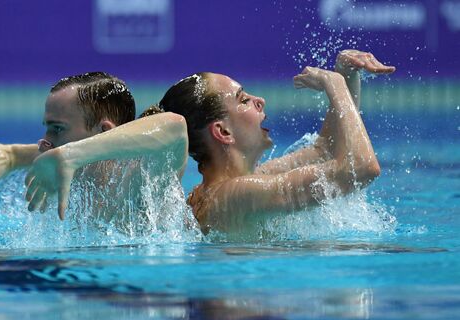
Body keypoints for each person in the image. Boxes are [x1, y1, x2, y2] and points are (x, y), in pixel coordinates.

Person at [144, 50, 395, 235]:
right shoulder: (236, 194)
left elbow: (326, 150)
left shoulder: (223, 189)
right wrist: (335, 85)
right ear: (223, 131)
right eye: (243, 100)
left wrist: (347, 74)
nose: (260, 100)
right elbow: (361, 168)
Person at [0, 72, 188, 221]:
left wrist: (71, 154)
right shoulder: (77, 180)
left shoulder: (142, 176)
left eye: (58, 129)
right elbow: (57, 153)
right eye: (47, 128)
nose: (45, 141)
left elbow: (176, 127)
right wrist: (13, 156)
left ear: (105, 132)